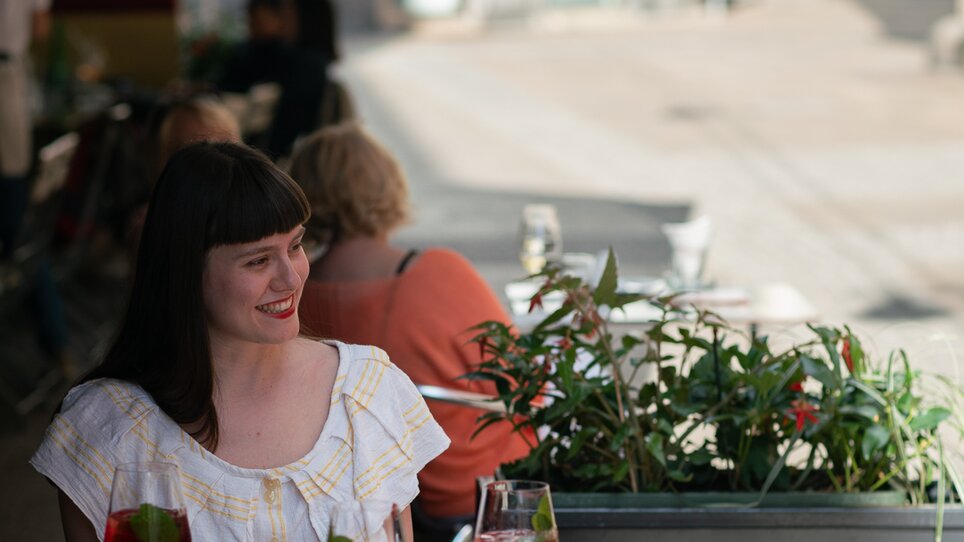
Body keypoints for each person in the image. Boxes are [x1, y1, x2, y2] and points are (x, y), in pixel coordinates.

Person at [31, 142, 449, 540]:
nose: (291, 278)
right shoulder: (110, 429)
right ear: (186, 271)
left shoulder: (367, 393)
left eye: (296, 245)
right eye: (258, 260)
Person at [289, 122, 533, 535]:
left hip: (371, 502)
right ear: (387, 186)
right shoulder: (437, 272)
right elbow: (525, 385)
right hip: (475, 493)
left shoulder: (294, 294)